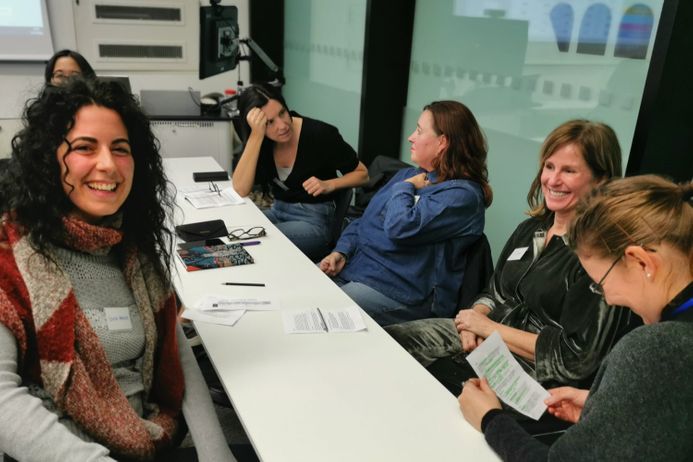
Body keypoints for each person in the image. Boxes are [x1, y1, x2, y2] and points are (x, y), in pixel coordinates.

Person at [0, 78, 234, 461]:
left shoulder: (134, 249)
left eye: (120, 149)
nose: (107, 165)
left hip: (147, 441)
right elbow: (2, 402)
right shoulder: (10, 259)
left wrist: (216, 454)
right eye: (84, 148)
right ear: (47, 158)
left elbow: (176, 357)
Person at [386, 120, 638, 396]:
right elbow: (493, 292)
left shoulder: (600, 257)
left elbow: (576, 359)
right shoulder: (531, 230)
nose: (552, 180)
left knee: (420, 391)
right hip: (483, 338)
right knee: (384, 346)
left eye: (569, 171)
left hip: (532, 375)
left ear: (600, 180)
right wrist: (473, 319)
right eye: (549, 166)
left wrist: (489, 328)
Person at [459, 175, 693, 461]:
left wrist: (490, 419)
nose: (607, 298)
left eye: (601, 283)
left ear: (642, 263)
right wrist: (601, 404)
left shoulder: (656, 349)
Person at [320, 100, 493, 326]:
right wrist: (342, 252)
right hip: (359, 269)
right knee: (301, 293)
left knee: (323, 313)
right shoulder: (410, 175)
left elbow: (399, 227)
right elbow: (365, 220)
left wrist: (404, 188)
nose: (411, 137)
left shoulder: (462, 196)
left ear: (442, 142)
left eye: (420, 131)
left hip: (402, 292)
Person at [232, 84, 369, 260]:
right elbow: (240, 189)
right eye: (269, 122)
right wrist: (256, 136)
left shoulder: (320, 134)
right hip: (278, 210)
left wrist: (329, 184)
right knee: (235, 232)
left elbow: (363, 174)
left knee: (259, 245)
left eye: (282, 113)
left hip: (315, 221)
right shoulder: (262, 141)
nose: (282, 126)